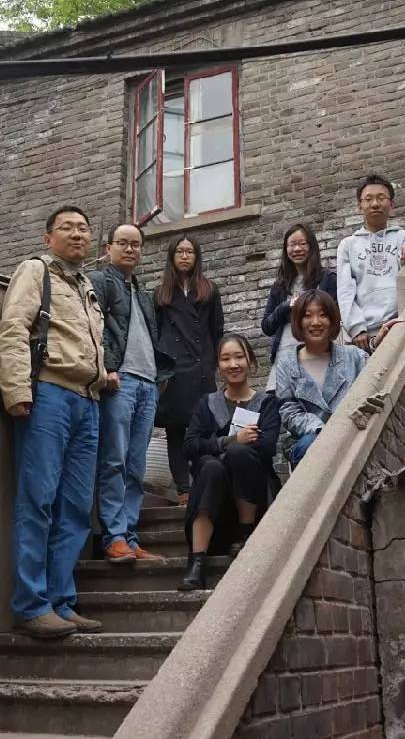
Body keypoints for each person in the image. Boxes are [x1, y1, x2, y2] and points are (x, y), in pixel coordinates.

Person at [0, 205, 108, 639]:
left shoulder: (87, 286)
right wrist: (16, 390)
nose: (77, 234)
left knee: (76, 507)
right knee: (38, 499)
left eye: (83, 228)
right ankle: (31, 604)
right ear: (48, 238)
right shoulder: (35, 271)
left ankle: (61, 601)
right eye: (67, 227)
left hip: (88, 400)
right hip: (48, 394)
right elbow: (13, 329)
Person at [89, 223, 171, 564]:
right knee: (114, 461)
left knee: (136, 466)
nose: (130, 249)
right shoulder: (100, 281)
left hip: (147, 385)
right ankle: (113, 536)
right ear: (108, 247)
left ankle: (130, 535)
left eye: (136, 244)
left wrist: (158, 378)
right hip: (120, 382)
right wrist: (107, 367)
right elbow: (94, 327)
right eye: (122, 243)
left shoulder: (142, 291)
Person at [178, 334, 280, 591]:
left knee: (238, 454)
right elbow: (189, 446)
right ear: (218, 366)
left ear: (251, 362)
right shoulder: (207, 404)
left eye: (239, 357)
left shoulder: (266, 404)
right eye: (225, 359)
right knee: (211, 466)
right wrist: (232, 440)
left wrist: (223, 446)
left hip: (253, 497)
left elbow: (267, 446)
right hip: (215, 500)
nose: (233, 364)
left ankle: (245, 535)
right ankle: (196, 562)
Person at [154, 235, 224, 504]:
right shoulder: (161, 294)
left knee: (205, 428)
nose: (184, 256)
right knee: (175, 430)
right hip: (173, 371)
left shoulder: (209, 290)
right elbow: (157, 332)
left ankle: (204, 484)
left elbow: (217, 330)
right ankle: (184, 490)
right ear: (172, 257)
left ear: (197, 257)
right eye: (179, 252)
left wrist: (214, 363)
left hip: (201, 367)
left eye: (189, 252)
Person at [272, 289, 369, 467]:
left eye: (323, 315)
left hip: (352, 436)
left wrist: (377, 343)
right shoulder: (286, 365)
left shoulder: (354, 357)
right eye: (307, 316)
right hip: (308, 440)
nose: (315, 322)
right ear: (298, 322)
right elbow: (289, 412)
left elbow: (372, 387)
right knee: (311, 445)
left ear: (332, 320)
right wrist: (322, 431)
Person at [336, 175, 405, 353]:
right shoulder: (348, 245)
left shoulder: (403, 236)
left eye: (381, 198)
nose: (375, 204)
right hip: (364, 335)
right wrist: (356, 327)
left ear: (392, 204)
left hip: (399, 325)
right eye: (368, 199)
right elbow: (345, 291)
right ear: (360, 206)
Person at [261, 223, 338, 390]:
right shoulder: (280, 286)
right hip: (285, 351)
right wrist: (286, 306)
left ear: (312, 247)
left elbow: (336, 317)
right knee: (280, 399)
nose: (297, 249)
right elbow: (267, 326)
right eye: (292, 244)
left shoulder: (327, 278)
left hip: (320, 352)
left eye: (302, 244)